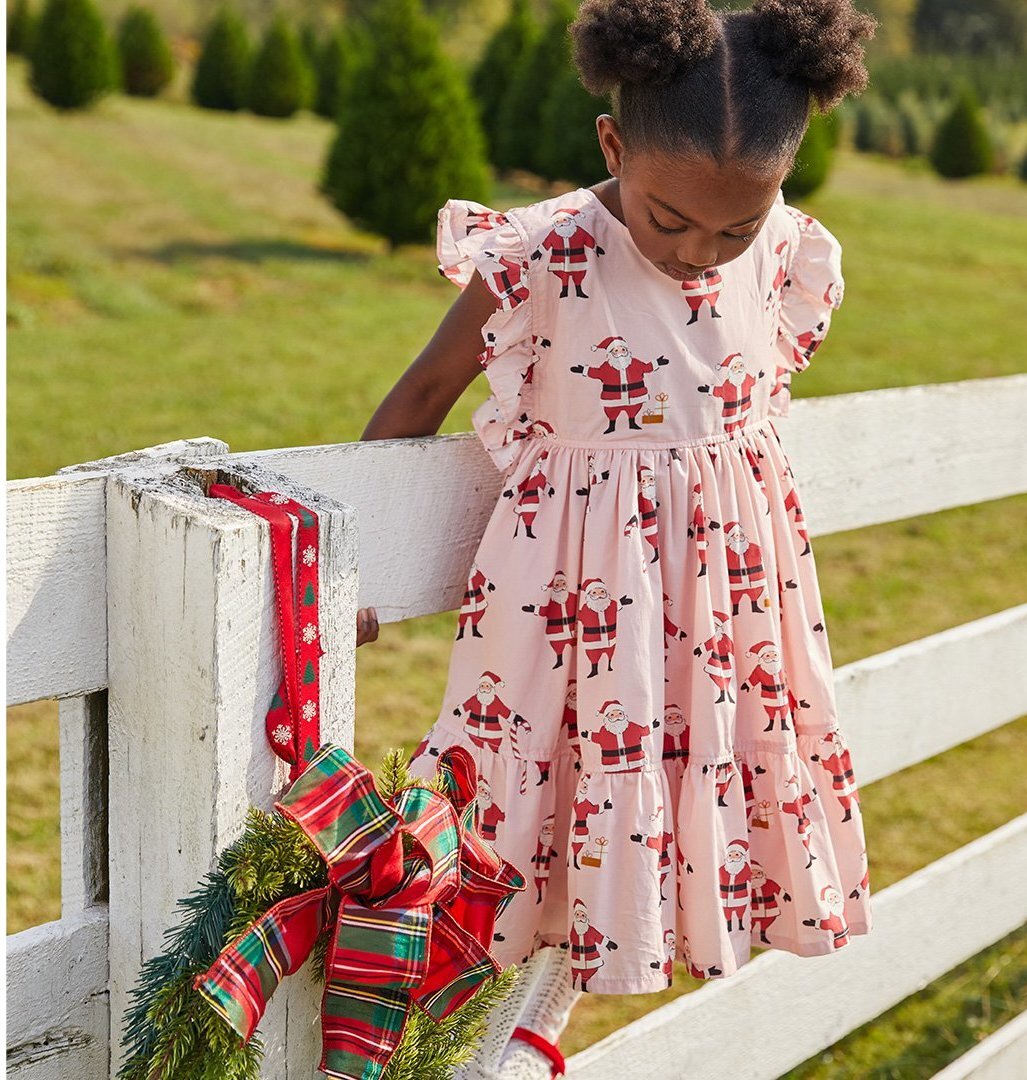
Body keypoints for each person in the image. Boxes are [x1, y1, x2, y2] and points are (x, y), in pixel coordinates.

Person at [358, 0, 878, 1074]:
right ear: (613, 146)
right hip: (572, 612)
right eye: (670, 220)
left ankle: (532, 1038)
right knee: (525, 827)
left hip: (724, 618)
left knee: (699, 804)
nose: (700, 255)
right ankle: (445, 1047)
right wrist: (353, 568)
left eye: (733, 229)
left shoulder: (786, 254)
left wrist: (744, 247)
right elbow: (422, 392)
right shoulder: (544, 254)